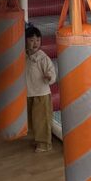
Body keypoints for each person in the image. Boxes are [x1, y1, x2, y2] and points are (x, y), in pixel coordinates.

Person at [24, 24, 56, 153]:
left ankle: (45, 143)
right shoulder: (24, 56)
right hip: (29, 93)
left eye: (38, 40)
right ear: (25, 41)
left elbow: (51, 72)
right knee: (33, 119)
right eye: (31, 40)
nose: (35, 43)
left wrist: (49, 77)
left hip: (41, 94)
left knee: (42, 120)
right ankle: (38, 139)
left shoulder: (43, 58)